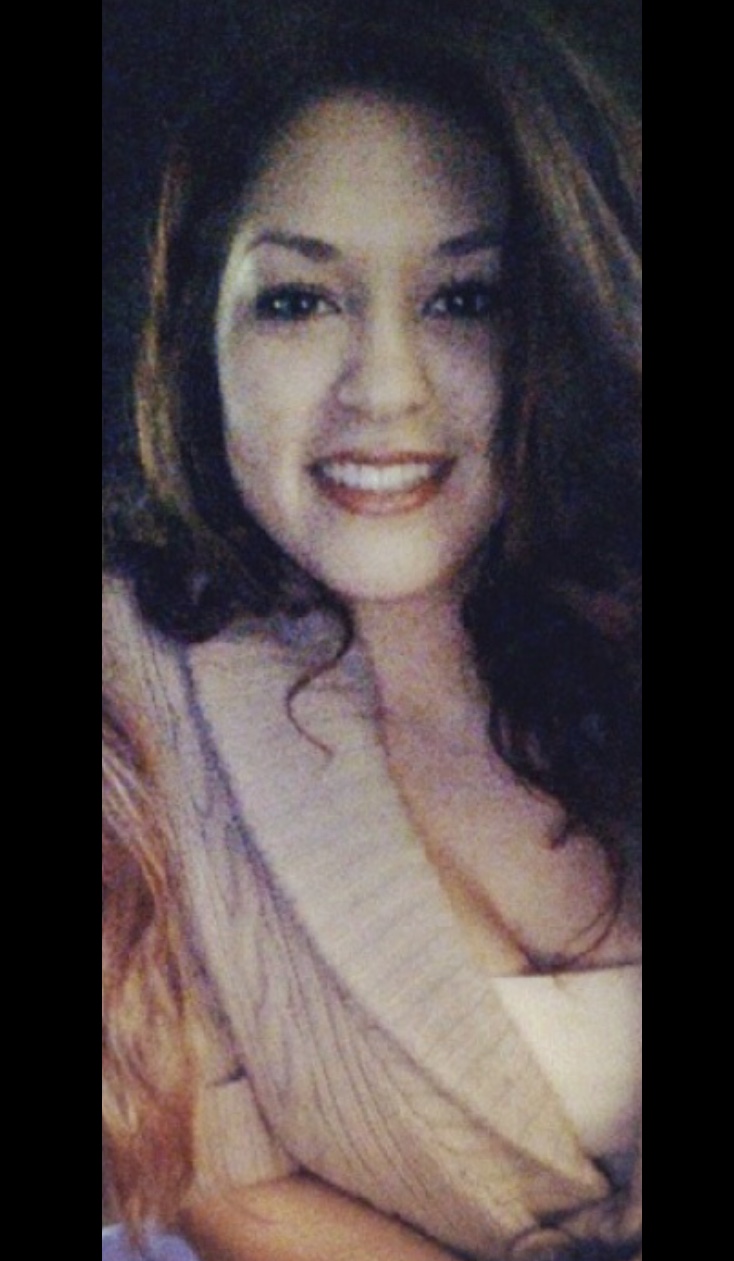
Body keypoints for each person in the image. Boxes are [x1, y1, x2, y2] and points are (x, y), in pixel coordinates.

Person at [102, 2, 642, 1257]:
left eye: (462, 297)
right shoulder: (133, 693)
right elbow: (216, 1178)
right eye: (298, 302)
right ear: (197, 337)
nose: (385, 386)